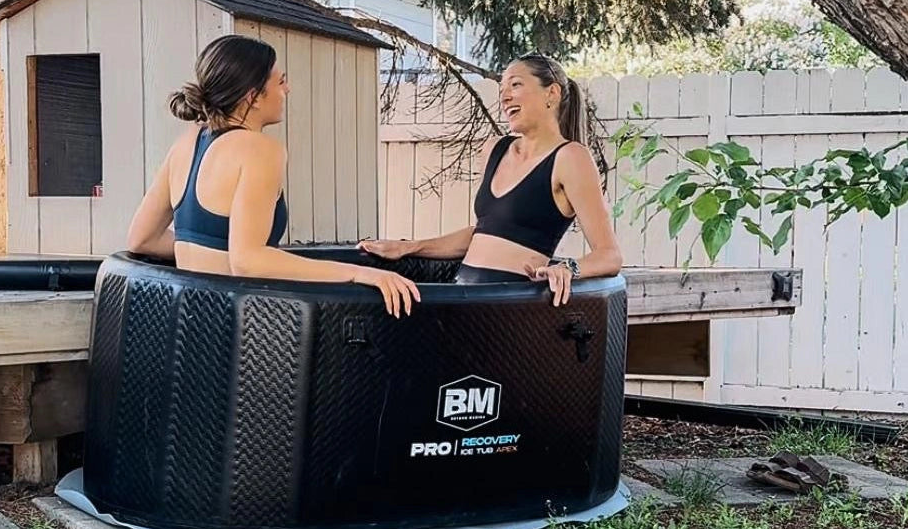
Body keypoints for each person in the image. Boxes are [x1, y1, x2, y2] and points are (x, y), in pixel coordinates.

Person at [127, 34, 420, 318]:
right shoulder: (259, 149)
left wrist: (204, 253)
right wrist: (359, 273)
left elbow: (142, 239)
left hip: (185, 326)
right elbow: (249, 261)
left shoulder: (187, 141)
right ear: (252, 97)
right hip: (235, 330)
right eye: (281, 81)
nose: (288, 89)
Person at [358, 52, 622, 306]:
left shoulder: (570, 157)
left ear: (551, 93)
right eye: (502, 91)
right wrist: (409, 247)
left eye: (515, 85)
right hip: (464, 298)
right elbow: (485, 232)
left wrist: (568, 267)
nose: (505, 97)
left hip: (511, 307)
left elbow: (609, 256)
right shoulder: (496, 149)